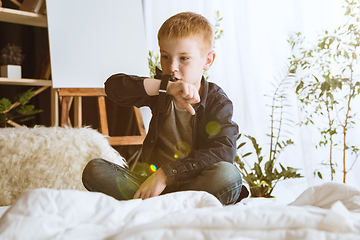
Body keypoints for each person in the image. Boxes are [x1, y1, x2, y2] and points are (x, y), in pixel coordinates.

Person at [82, 11, 248, 205]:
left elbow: (224, 151)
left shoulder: (217, 102)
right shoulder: (162, 89)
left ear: (208, 60)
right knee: (94, 169)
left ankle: (160, 207)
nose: (172, 67)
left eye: (184, 58)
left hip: (194, 184)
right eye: (166, 56)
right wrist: (166, 87)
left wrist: (166, 174)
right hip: (150, 185)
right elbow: (113, 87)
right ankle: (173, 207)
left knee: (228, 175)